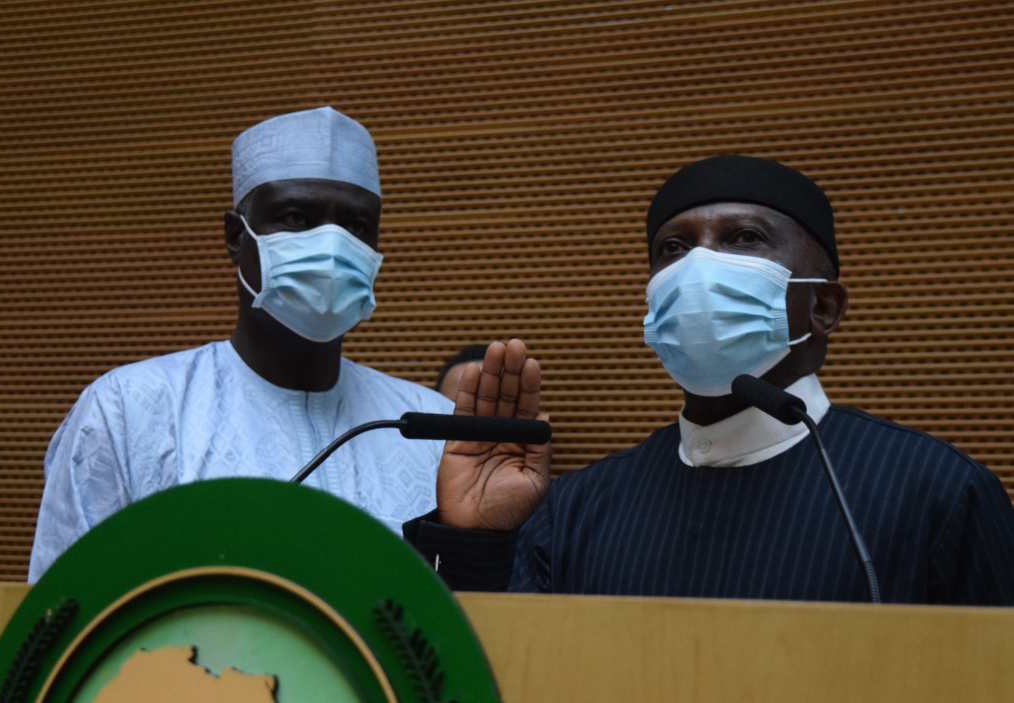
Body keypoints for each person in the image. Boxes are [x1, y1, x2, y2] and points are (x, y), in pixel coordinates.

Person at [406, 155, 1014, 605]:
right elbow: (494, 670)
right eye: (673, 247)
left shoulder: (939, 493)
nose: (698, 265)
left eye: (745, 238)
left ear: (823, 307)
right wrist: (476, 540)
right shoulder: (578, 506)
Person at [29, 108, 456, 581]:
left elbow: (469, 609)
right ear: (236, 236)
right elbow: (62, 610)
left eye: (356, 226)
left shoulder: (432, 427)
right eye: (297, 217)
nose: (333, 246)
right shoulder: (128, 413)